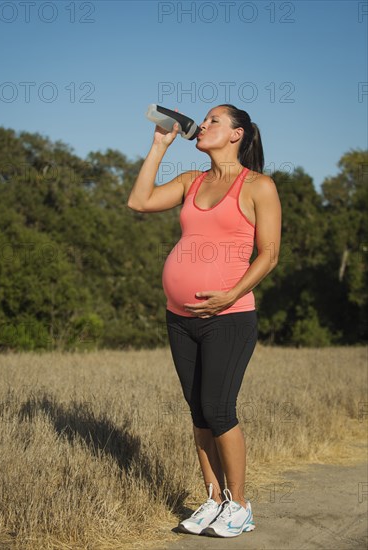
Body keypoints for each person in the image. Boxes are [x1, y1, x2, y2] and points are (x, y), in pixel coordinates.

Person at [127, 104, 281, 538]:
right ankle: (214, 501)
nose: (204, 124)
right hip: (179, 317)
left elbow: (269, 254)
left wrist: (230, 294)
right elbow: (139, 201)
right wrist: (159, 146)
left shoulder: (258, 186)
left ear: (237, 135)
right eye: (205, 119)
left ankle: (240, 505)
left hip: (228, 317)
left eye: (215, 120)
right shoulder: (190, 181)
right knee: (198, 412)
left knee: (218, 408)